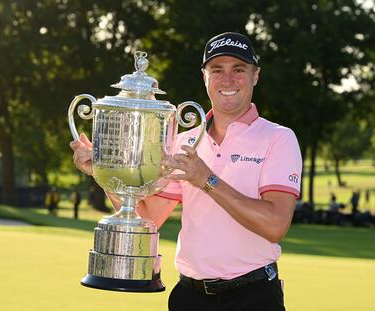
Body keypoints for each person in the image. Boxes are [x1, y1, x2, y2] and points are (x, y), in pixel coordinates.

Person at [70, 32, 302, 311]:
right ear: (205, 76)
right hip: (189, 297)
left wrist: (206, 179)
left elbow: (275, 225)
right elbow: (148, 217)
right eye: (217, 70)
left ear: (255, 76)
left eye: (238, 69)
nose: (228, 79)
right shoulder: (184, 141)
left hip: (252, 296)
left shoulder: (278, 138)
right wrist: (102, 172)